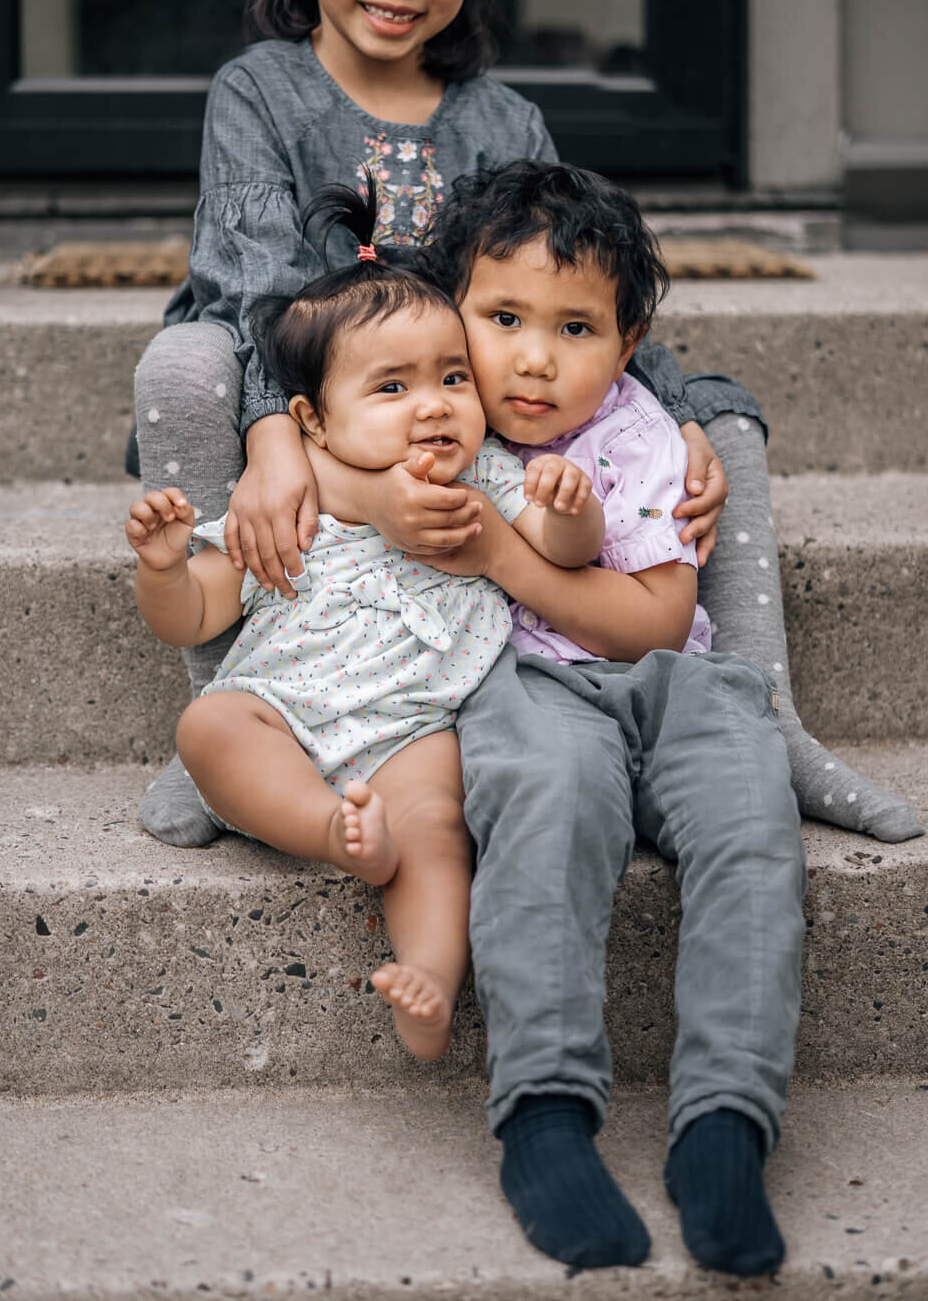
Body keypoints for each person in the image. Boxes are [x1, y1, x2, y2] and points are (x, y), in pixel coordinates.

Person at [132, 0, 919, 847]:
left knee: (716, 418)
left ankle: (762, 713)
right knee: (179, 366)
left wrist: (675, 411)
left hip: (467, 404)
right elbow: (253, 278)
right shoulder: (262, 90)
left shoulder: (502, 120)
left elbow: (569, 288)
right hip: (306, 389)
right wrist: (274, 438)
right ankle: (235, 704)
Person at [306, 159, 803, 1275]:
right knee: (549, 803)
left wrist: (498, 551)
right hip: (521, 687)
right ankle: (544, 1112)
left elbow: (659, 623)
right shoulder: (429, 413)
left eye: (575, 326)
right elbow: (324, 446)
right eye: (504, 318)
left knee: (750, 825)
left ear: (628, 348)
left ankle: (724, 1122)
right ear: (451, 316)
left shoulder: (638, 438)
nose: (533, 356)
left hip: (676, 682)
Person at [126, 179, 601, 1060]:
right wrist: (163, 570)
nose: (434, 404)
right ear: (312, 419)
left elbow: (562, 554)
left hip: (419, 724)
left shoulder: (487, 479)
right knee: (211, 725)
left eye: (452, 377)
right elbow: (194, 616)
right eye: (392, 387)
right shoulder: (291, 504)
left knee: (434, 831)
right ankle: (334, 835)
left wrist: (569, 507)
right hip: (284, 709)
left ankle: (428, 979)